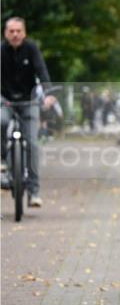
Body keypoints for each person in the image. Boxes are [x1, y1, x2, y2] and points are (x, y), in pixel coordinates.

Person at [1, 17, 56, 206]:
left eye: (18, 31)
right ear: (5, 33)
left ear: (24, 33)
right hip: (5, 100)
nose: (15, 34)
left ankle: (34, 192)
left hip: (28, 101)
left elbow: (42, 71)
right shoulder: (1, 51)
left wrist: (48, 94)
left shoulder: (31, 49)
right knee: (1, 122)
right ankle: (3, 162)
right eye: (11, 31)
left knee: (32, 142)